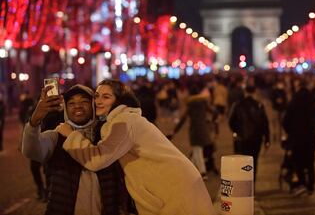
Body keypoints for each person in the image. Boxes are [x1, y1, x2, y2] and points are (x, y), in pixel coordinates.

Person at [58, 79, 215, 215]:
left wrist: (71, 135)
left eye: (106, 97)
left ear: (119, 100)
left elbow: (98, 158)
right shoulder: (124, 119)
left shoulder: (123, 121)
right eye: (97, 96)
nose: (98, 101)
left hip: (174, 190)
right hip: (175, 185)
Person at [22, 84, 133, 215]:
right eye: (71, 103)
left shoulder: (108, 135)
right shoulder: (57, 136)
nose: (77, 106)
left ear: (93, 105)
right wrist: (35, 120)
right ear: (66, 109)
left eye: (84, 101)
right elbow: (31, 150)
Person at [171, 81, 216, 179]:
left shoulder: (190, 103)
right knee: (197, 150)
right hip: (204, 128)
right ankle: (190, 169)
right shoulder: (203, 101)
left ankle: (202, 172)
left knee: (197, 150)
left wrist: (175, 131)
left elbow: (183, 118)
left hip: (195, 129)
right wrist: (211, 121)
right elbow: (214, 112)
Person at [283, 83, 315, 196]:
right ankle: (311, 186)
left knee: (298, 162)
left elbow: (286, 122)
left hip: (297, 138)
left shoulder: (293, 104)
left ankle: (302, 183)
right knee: (310, 163)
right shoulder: (314, 104)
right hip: (311, 138)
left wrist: (290, 132)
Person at [228, 85, 270, 183]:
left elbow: (231, 122)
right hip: (256, 139)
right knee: (254, 162)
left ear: (245, 92)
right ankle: (252, 185)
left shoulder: (237, 105)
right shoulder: (259, 105)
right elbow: (265, 124)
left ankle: (244, 185)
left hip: (242, 139)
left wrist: (238, 131)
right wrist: (267, 139)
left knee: (243, 163)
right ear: (255, 92)